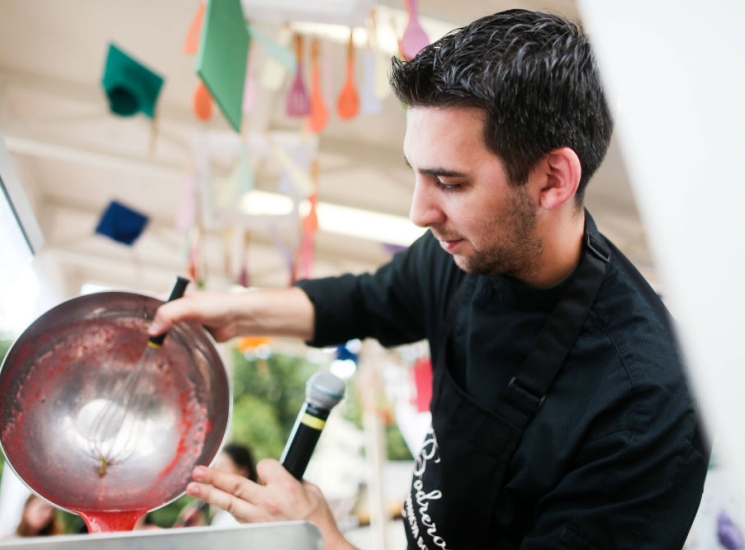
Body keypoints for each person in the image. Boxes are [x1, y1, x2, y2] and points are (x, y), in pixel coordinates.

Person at [149, 9, 709, 550]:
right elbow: (363, 301)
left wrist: (321, 540)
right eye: (416, 173)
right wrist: (229, 311)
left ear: (552, 178)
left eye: (450, 182)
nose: (419, 212)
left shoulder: (644, 406)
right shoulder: (462, 251)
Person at [174, 443, 258, 529]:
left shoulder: (245, 516)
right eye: (215, 467)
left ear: (242, 472)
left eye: (222, 467)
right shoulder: (222, 516)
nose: (215, 474)